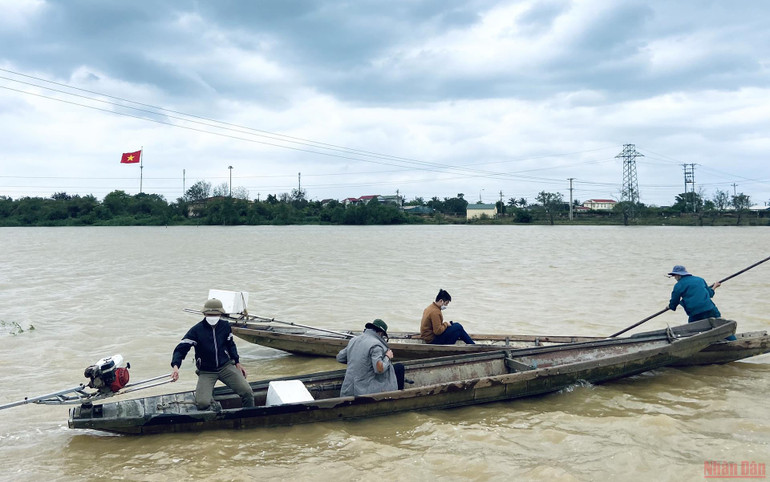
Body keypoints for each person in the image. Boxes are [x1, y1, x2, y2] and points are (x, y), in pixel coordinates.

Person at [171, 298, 255, 410]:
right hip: (206, 371)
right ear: (204, 314)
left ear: (220, 314)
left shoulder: (225, 326)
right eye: (209, 314)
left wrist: (237, 362)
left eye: (215, 314)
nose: (212, 317)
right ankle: (211, 400)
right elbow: (180, 349)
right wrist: (176, 367)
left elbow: (231, 345)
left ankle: (249, 415)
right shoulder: (196, 330)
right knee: (202, 403)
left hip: (225, 367)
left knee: (247, 392)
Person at [336, 319, 405, 396]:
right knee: (399, 367)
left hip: (347, 390)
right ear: (381, 333)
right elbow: (379, 369)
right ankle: (398, 396)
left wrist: (357, 360)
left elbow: (340, 357)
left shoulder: (353, 340)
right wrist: (387, 357)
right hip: (365, 391)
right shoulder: (376, 345)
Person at [667, 265, 736, 340]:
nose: (674, 278)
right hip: (710, 309)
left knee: (692, 331)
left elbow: (674, 301)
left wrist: (670, 306)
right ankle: (733, 341)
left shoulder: (678, 285)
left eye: (674, 276)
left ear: (678, 275)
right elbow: (709, 294)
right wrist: (715, 286)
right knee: (721, 327)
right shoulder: (700, 280)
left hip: (695, 313)